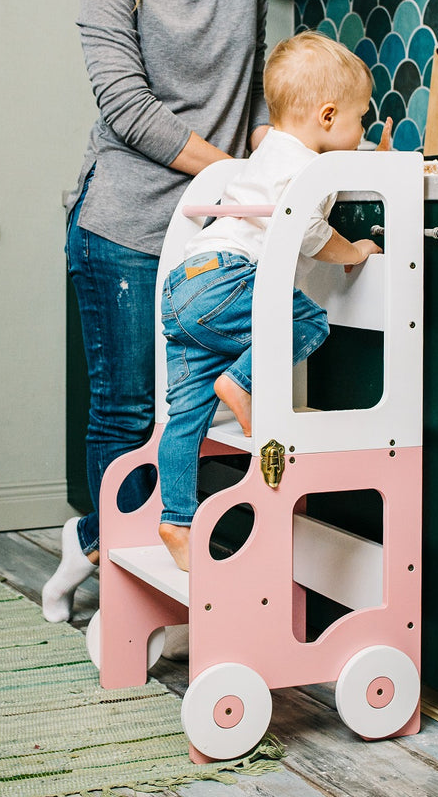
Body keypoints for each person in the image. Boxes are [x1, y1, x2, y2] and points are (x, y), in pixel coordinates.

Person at [42, 0, 269, 623]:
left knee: (200, 405)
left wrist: (276, 163)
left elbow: (248, 91)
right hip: (126, 224)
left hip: (217, 228)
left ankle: (117, 550)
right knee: (130, 408)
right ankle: (113, 573)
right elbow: (127, 107)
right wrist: (234, 179)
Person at [157, 31, 390, 571]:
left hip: (185, 283)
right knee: (309, 323)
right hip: (228, 280)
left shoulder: (265, 154)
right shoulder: (309, 167)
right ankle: (240, 382)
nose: (362, 131)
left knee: (185, 416)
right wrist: (351, 248)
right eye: (361, 120)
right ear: (327, 117)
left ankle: (177, 520)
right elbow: (307, 230)